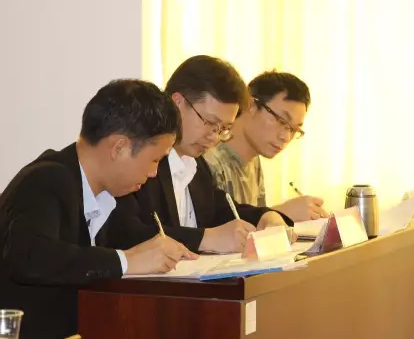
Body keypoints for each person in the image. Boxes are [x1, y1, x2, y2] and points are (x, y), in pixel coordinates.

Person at [0, 79, 197, 339]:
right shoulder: (47, 179)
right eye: (155, 160)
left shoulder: (109, 195)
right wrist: (126, 261)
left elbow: (139, 238)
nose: (153, 174)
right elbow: (30, 257)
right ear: (119, 148)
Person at [107, 55, 293, 254]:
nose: (214, 137)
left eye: (223, 129)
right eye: (210, 123)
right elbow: (126, 234)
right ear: (178, 103)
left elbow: (222, 210)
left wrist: (266, 217)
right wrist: (205, 239)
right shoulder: (140, 159)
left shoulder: (195, 165)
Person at [204, 71, 329, 222]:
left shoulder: (253, 160)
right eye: (281, 121)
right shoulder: (208, 160)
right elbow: (213, 230)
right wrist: (281, 213)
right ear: (251, 105)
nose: (286, 137)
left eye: (294, 130)